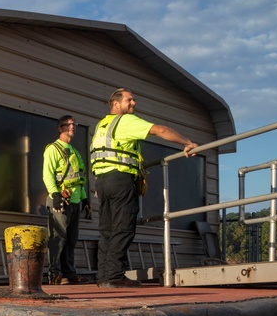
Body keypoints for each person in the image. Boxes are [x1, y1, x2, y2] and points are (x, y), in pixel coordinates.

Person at [90, 88, 198, 288]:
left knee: (107, 230)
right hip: (120, 180)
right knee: (124, 227)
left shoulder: (101, 125)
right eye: (129, 100)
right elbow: (161, 130)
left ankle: (104, 277)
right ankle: (114, 276)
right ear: (116, 104)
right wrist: (187, 142)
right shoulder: (125, 121)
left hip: (102, 182)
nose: (134, 103)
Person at [43, 116, 92, 285]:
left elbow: (78, 178)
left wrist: (85, 199)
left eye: (74, 124)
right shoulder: (53, 149)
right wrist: (55, 195)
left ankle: (69, 273)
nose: (72, 127)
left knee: (71, 239)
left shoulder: (75, 152)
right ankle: (55, 273)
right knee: (58, 237)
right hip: (61, 200)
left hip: (75, 200)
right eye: (68, 124)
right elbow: (47, 174)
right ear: (60, 128)